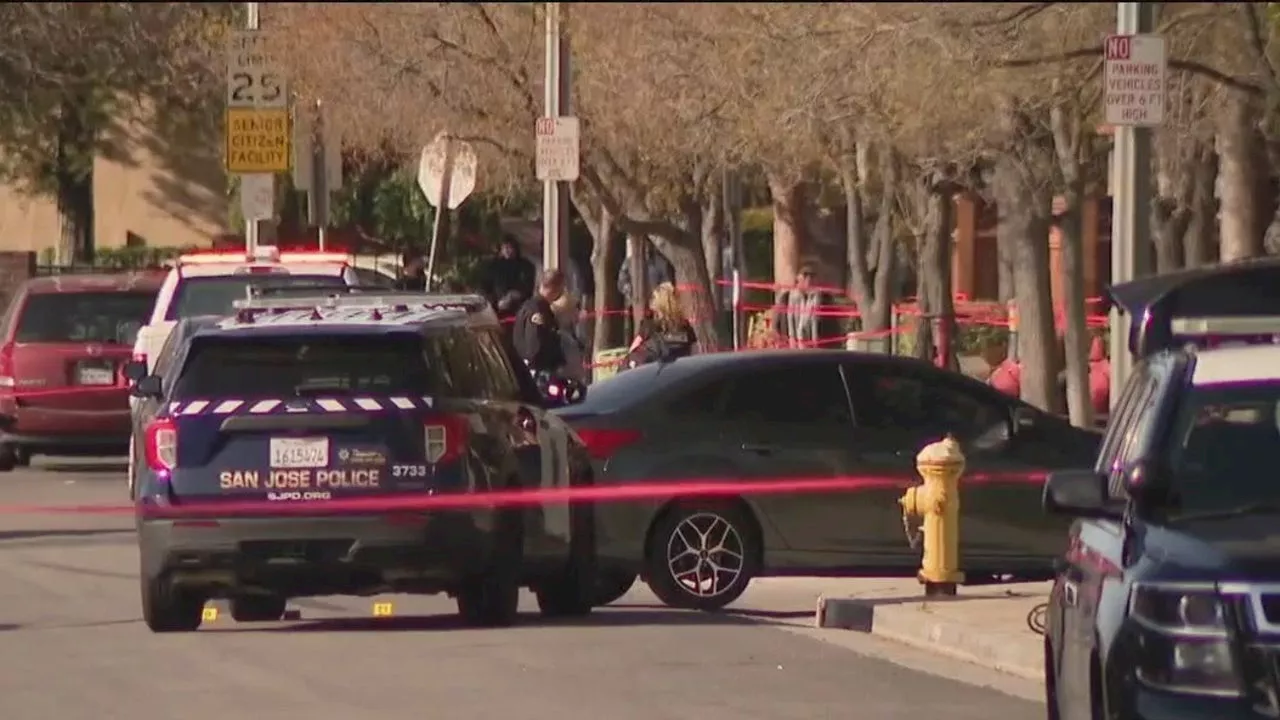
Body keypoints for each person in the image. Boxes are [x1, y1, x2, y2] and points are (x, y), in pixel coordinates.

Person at [624, 282, 697, 368]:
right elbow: (693, 354)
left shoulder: (649, 325)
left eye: (654, 299)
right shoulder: (685, 327)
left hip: (654, 373)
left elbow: (632, 351)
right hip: (680, 372)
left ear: (658, 304)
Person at [770, 264, 838, 349]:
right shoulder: (786, 298)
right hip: (790, 348)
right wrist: (782, 342)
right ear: (798, 280)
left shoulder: (824, 299)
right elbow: (776, 324)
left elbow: (833, 326)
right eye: (805, 278)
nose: (808, 282)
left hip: (818, 350)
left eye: (811, 279)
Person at [513, 269, 568, 374]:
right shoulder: (538, 310)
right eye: (561, 288)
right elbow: (535, 341)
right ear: (553, 288)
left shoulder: (528, 306)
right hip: (540, 370)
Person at [479, 235, 536, 322]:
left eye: (510, 247)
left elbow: (526, 287)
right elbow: (484, 287)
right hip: (495, 309)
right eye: (505, 248)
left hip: (519, 310)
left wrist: (510, 298)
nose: (508, 251)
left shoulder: (525, 266)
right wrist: (494, 302)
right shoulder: (493, 266)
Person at [617, 241, 674, 318]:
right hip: (635, 306)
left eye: (648, 245)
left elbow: (667, 284)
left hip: (656, 307)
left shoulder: (661, 263)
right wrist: (629, 290)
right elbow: (621, 281)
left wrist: (658, 297)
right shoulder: (629, 263)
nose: (646, 249)